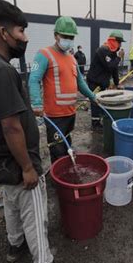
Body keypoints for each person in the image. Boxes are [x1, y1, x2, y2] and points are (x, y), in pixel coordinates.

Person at [0, 0, 55, 263]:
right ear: (3, 32)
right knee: (34, 214)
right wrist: (28, 167)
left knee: (11, 205)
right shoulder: (2, 71)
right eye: (21, 31)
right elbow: (10, 125)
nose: (25, 38)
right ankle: (44, 261)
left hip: (1, 160)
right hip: (19, 163)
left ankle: (15, 245)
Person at [29, 16, 97, 163]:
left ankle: (65, 171)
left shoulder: (72, 58)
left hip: (70, 113)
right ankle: (59, 180)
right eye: (65, 36)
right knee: (57, 150)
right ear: (56, 35)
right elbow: (33, 80)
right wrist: (37, 104)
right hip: (55, 116)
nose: (68, 39)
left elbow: (80, 82)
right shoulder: (44, 54)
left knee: (66, 146)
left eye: (71, 37)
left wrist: (93, 97)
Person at [86, 30, 125, 129]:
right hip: (95, 82)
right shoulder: (103, 50)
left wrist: (117, 83)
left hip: (102, 82)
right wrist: (119, 58)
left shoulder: (112, 53)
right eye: (119, 42)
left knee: (100, 102)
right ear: (113, 41)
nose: (120, 45)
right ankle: (95, 124)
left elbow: (114, 69)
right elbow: (110, 66)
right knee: (95, 102)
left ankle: (99, 120)